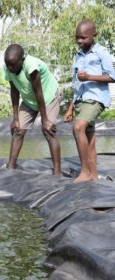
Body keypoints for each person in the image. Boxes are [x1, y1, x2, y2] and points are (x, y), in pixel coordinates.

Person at [63, 20, 115, 183]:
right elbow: (76, 84)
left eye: (83, 38)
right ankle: (93, 174)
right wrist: (71, 107)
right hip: (81, 100)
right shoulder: (77, 56)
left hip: (96, 98)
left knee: (78, 127)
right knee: (89, 136)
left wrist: (89, 77)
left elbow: (112, 76)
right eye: (77, 37)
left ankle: (85, 171)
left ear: (94, 36)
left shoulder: (102, 53)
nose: (79, 41)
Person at [3, 44, 61, 175]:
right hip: (30, 101)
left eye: (13, 65)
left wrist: (45, 120)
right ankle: (11, 166)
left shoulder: (31, 66)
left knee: (48, 131)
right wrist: (15, 119)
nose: (10, 68)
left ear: (21, 60)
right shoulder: (8, 67)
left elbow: (38, 92)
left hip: (48, 98)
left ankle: (58, 173)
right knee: (18, 130)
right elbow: (14, 90)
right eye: (8, 65)